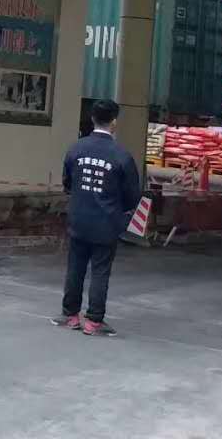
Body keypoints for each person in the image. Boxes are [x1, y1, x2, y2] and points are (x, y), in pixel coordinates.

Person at [52, 99, 141, 337]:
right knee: (100, 270)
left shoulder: (76, 149)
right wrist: (119, 211)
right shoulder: (121, 156)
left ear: (92, 119)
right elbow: (133, 195)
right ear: (114, 122)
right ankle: (93, 321)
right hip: (106, 222)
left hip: (79, 218)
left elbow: (68, 183)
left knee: (75, 267)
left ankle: (70, 315)